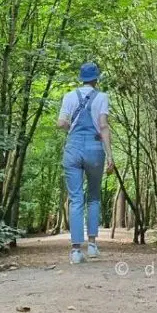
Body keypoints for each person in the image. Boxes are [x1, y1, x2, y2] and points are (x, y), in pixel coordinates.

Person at [57, 62, 114, 264]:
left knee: (76, 198)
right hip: (94, 149)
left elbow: (61, 123)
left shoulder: (69, 96)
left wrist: (69, 125)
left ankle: (75, 251)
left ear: (80, 78)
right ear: (96, 78)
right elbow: (103, 126)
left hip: (72, 148)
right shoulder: (102, 97)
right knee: (94, 198)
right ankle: (91, 246)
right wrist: (110, 156)